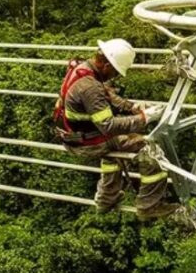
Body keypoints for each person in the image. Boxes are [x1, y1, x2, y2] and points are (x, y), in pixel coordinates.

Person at [54, 38, 179, 219]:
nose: (114, 77)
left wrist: (132, 107)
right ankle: (149, 206)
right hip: (87, 143)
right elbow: (109, 126)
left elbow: (107, 97)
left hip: (77, 135)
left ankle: (107, 198)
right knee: (151, 150)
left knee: (118, 145)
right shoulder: (90, 87)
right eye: (114, 72)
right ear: (106, 64)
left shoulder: (83, 69)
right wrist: (145, 117)